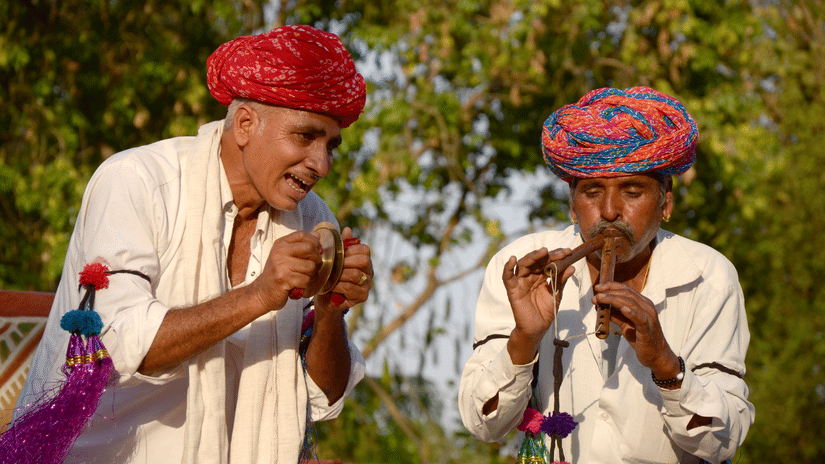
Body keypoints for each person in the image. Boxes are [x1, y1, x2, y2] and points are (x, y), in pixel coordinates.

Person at [16, 24, 371, 464]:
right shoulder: (138, 182)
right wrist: (260, 294)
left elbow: (321, 398)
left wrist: (331, 308)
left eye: (331, 146)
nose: (321, 164)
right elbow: (126, 346)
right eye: (305, 136)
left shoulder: (313, 219)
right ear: (245, 124)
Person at [458, 87, 753, 463]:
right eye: (593, 192)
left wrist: (665, 364)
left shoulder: (708, 276)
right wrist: (524, 339)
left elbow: (724, 441)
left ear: (666, 202)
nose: (610, 211)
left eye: (632, 192)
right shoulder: (522, 269)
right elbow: (483, 424)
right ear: (572, 203)